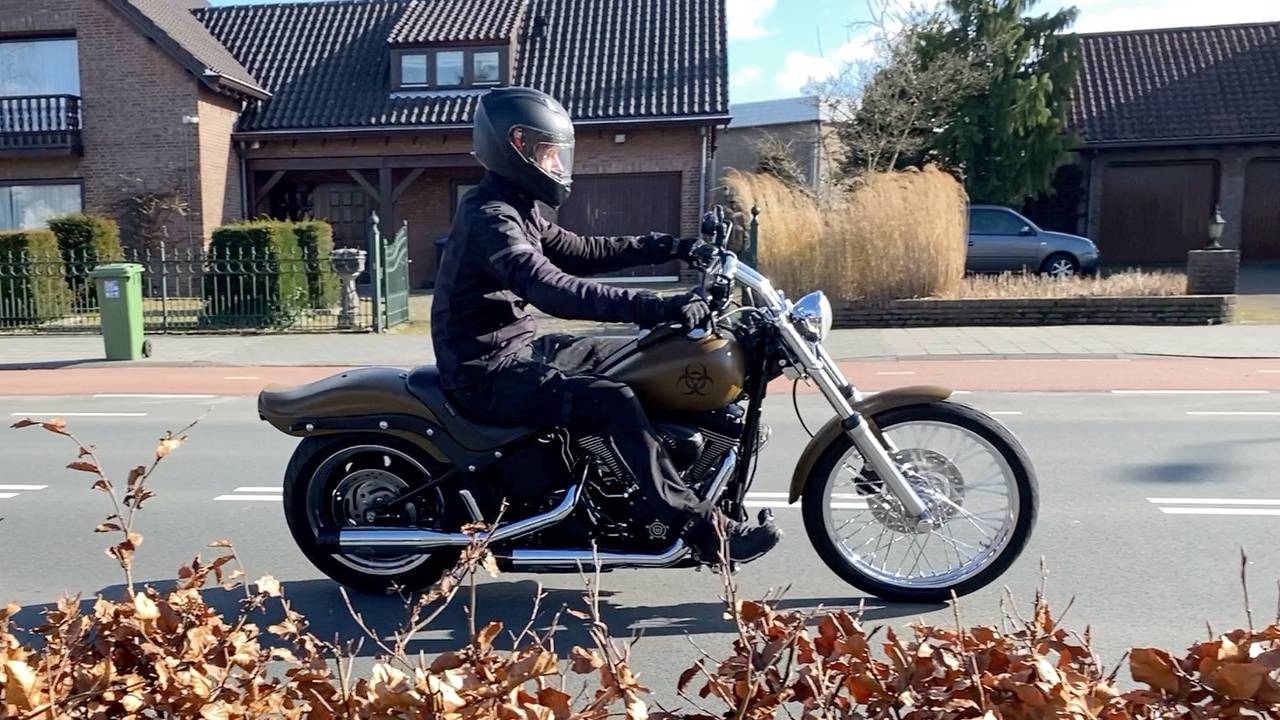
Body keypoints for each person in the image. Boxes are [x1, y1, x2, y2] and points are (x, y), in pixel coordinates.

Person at [431, 86, 781, 563]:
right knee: (611, 400)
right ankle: (701, 529)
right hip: (484, 371)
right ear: (516, 146)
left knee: (641, 351)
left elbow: (585, 252)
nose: (556, 165)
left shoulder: (519, 207)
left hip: (520, 349)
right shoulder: (491, 217)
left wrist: (674, 247)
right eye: (548, 154)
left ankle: (630, 474)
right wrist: (661, 305)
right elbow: (551, 288)